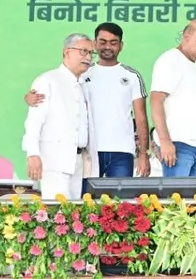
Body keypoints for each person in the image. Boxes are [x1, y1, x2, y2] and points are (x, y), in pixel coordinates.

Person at [24, 23, 150, 178]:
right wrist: (29, 98)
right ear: (95, 43)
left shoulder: (132, 76)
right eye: (102, 42)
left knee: (119, 194)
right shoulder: (82, 72)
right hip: (89, 151)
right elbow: (59, 93)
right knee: (85, 193)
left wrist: (143, 153)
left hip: (122, 150)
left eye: (113, 42)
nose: (107, 47)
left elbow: (141, 118)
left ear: (121, 46)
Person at [22, 33, 99, 199]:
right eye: (83, 51)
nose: (88, 57)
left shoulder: (84, 84)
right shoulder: (47, 80)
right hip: (54, 161)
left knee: (74, 212)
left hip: (78, 162)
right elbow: (34, 121)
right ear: (67, 52)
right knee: (56, 211)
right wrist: (32, 153)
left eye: (91, 53)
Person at [150, 20, 196, 177]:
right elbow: (156, 101)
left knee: (194, 194)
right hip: (179, 146)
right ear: (186, 36)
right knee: (177, 192)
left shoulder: (193, 65)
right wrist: (165, 141)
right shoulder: (171, 59)